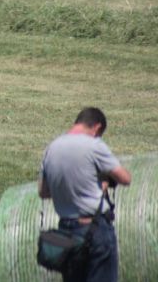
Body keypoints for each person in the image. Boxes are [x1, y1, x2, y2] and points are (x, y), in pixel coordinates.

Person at [38, 107, 132, 282]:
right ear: (97, 127)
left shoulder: (51, 148)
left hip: (66, 232)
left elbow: (43, 192)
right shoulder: (94, 145)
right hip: (95, 230)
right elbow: (125, 179)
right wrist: (104, 181)